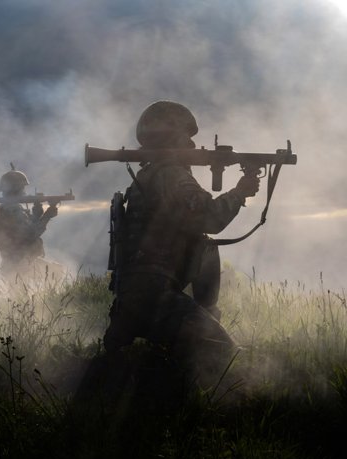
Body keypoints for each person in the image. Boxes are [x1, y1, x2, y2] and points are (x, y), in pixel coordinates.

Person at [102, 101, 260, 386]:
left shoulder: (149, 174)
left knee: (206, 247)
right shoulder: (172, 175)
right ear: (174, 137)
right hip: (155, 297)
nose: (192, 144)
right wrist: (240, 191)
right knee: (226, 354)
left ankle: (152, 345)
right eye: (187, 137)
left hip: (136, 294)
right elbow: (209, 218)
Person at [0, 169, 59, 278]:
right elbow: (30, 234)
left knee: (56, 271)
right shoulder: (12, 210)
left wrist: (37, 214)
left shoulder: (6, 209)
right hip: (19, 265)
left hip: (19, 262)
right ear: (16, 190)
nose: (24, 192)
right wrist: (48, 215)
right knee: (56, 273)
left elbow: (23, 230)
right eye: (23, 189)